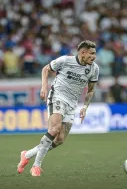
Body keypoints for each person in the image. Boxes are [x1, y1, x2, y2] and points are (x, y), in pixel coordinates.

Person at [17, 40, 99, 177]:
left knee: (60, 139)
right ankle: (36, 166)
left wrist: (85, 106)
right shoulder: (65, 60)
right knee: (54, 129)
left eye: (95, 54)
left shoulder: (94, 68)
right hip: (57, 96)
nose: (94, 57)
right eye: (92, 53)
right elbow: (46, 69)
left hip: (72, 104)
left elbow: (91, 90)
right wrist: (44, 86)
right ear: (82, 53)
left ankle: (27, 154)